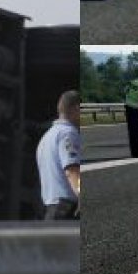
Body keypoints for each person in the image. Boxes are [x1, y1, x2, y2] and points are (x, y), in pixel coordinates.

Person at [36, 90, 81, 220]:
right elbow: (72, 170)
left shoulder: (47, 137)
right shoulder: (68, 133)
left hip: (50, 208)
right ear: (77, 108)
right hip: (67, 208)